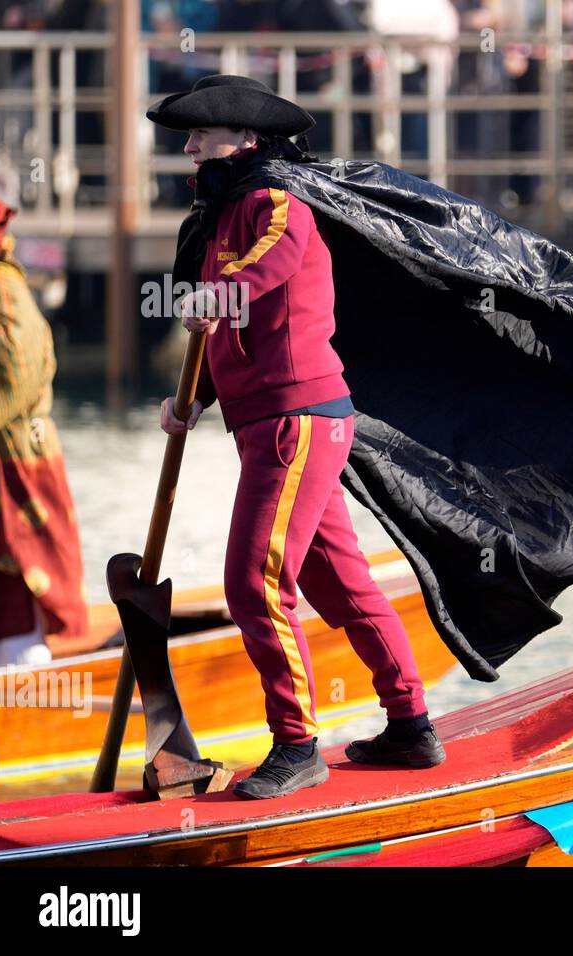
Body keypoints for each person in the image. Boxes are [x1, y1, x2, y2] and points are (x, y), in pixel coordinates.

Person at [145, 74, 445, 799]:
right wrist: (194, 400)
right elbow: (232, 331)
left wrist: (218, 293)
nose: (187, 149)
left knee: (252, 584)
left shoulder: (277, 202)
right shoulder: (222, 218)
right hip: (277, 425)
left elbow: (267, 268)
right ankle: (411, 727)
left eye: (199, 135)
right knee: (342, 585)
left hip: (297, 423)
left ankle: (296, 745)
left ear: (244, 139)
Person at [0, 175, 87, 667]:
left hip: (13, 464)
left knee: (17, 576)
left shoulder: (1, 292)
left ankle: (25, 690)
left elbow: (15, 377)